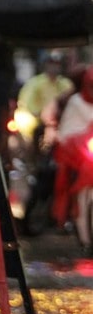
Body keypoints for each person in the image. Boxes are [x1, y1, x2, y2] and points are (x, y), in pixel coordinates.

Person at [50, 65, 93, 257]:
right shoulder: (75, 102)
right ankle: (84, 239)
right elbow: (67, 132)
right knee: (79, 198)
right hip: (78, 158)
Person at [17, 50, 73, 120]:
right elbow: (28, 105)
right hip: (38, 122)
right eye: (51, 64)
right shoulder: (34, 83)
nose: (54, 67)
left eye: (57, 64)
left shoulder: (66, 83)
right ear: (45, 65)